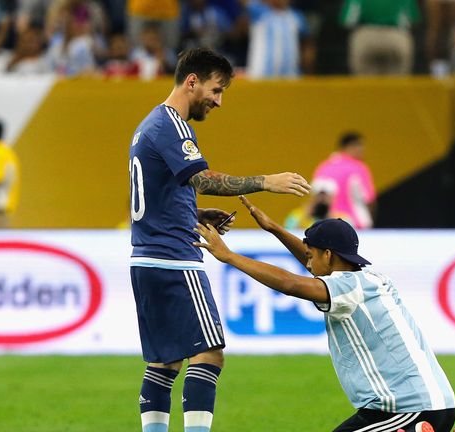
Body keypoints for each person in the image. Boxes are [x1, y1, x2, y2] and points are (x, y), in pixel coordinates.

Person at [128, 47, 311, 432]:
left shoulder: (146, 126)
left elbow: (157, 191)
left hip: (146, 258)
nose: (218, 101)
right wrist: (266, 182)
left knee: (164, 361)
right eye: (216, 89)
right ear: (191, 81)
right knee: (209, 354)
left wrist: (190, 213)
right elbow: (202, 179)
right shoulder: (172, 125)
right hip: (174, 259)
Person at [194, 196, 455, 432]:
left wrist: (229, 256)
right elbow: (315, 266)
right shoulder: (368, 279)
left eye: (312, 255)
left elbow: (290, 284)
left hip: (408, 408)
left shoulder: (346, 289)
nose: (308, 261)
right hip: (421, 403)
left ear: (329, 255)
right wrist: (274, 229)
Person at [313, 132, 377, 229]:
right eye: (359, 145)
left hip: (326, 225)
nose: (362, 150)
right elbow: (369, 200)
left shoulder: (323, 166)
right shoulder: (358, 168)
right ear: (348, 147)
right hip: (356, 226)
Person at [340, 0, 421, 76]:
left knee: (365, 86)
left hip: (366, 35)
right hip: (395, 35)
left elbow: (347, 21)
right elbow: (413, 20)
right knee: (397, 86)